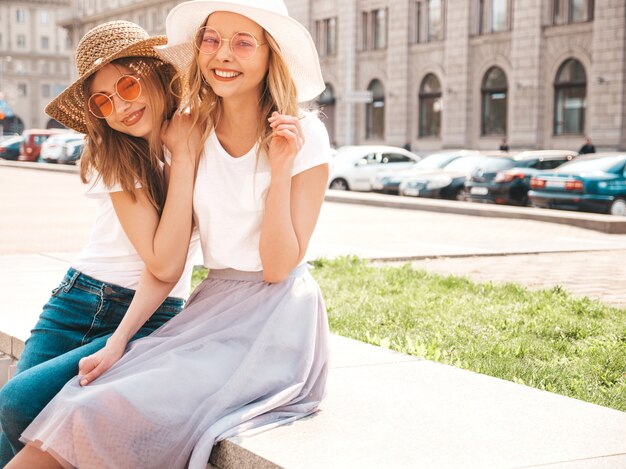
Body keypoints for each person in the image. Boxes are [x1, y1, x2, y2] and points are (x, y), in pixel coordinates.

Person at [7, 1, 331, 468]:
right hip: (203, 304)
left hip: (276, 318)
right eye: (211, 39)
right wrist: (118, 343)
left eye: (243, 42)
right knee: (54, 402)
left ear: (270, 54)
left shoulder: (303, 134)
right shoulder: (193, 128)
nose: (223, 54)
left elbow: (279, 267)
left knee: (89, 407)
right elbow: (166, 261)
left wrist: (279, 171)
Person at [0, 21, 201, 466]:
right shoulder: (116, 157)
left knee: (17, 403)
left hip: (151, 313)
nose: (121, 106)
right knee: (9, 426)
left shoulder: (196, 145)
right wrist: (183, 160)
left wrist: (184, 157)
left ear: (155, 73)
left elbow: (167, 268)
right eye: (104, 100)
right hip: (77, 302)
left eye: (127, 84)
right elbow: (161, 258)